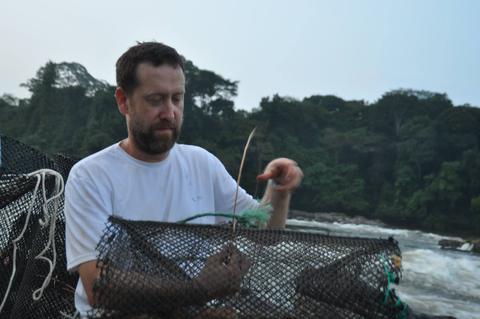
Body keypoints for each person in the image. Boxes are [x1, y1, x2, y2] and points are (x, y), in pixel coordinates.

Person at [64, 41, 303, 316]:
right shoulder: (91, 176)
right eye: (156, 100)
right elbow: (99, 286)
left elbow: (265, 235)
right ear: (123, 101)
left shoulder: (202, 164)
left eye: (177, 98)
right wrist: (198, 290)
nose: (170, 113)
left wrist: (279, 190)